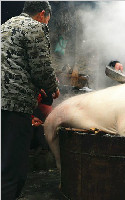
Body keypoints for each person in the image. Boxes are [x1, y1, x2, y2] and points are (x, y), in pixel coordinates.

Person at [1, 1, 60, 199]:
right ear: (42, 14)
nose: (47, 24)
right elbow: (41, 68)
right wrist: (53, 88)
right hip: (14, 105)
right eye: (48, 20)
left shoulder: (5, 26)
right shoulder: (35, 27)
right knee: (13, 169)